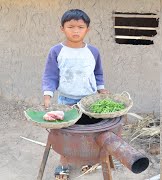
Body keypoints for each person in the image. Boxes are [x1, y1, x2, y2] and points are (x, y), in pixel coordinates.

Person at [42, 9, 108, 180]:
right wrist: (48, 95)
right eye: (71, 26)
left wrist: (101, 89)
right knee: (66, 134)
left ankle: (88, 159)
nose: (76, 31)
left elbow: (98, 73)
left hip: (90, 101)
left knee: (88, 133)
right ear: (62, 28)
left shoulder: (93, 51)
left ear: (88, 29)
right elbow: (50, 75)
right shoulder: (56, 51)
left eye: (80, 27)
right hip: (66, 101)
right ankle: (63, 163)